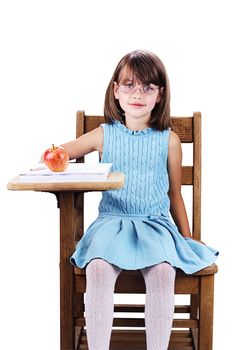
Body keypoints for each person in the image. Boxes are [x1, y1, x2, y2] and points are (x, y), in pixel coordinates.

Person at [59, 50, 218, 350]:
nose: (138, 94)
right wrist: (52, 154)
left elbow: (174, 194)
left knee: (162, 271)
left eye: (148, 87)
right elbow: (65, 152)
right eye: (129, 85)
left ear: (160, 95)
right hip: (111, 224)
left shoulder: (168, 140)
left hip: (155, 225)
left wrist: (186, 237)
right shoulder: (103, 135)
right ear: (116, 90)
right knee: (98, 269)